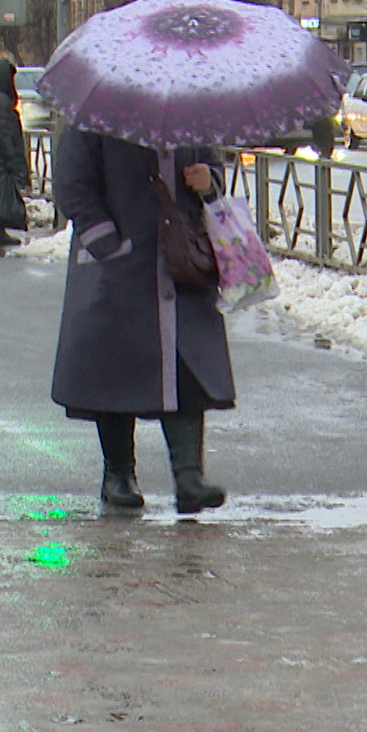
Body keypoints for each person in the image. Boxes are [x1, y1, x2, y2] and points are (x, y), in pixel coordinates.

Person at [51, 129, 233, 514]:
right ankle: (118, 474)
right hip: (119, 265)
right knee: (114, 369)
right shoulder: (95, 117)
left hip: (181, 264)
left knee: (187, 370)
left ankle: (189, 478)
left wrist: (208, 181)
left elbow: (212, 164)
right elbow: (73, 182)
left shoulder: (187, 112)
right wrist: (106, 242)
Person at [0, 58, 31, 248]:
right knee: (4, 191)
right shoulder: (1, 101)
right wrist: (15, 161)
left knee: (1, 193)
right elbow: (5, 133)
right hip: (0, 157)